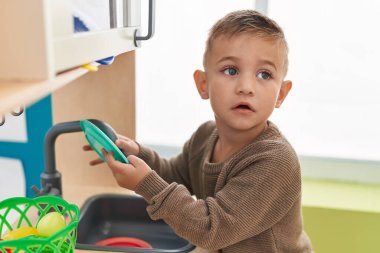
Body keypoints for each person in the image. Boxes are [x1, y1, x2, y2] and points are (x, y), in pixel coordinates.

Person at [84, 10, 313, 253]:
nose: (246, 87)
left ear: (281, 94)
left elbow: (211, 229)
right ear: (203, 84)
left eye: (264, 74)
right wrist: (139, 155)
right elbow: (176, 174)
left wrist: (144, 183)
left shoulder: (274, 162)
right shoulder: (206, 136)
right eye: (231, 71)